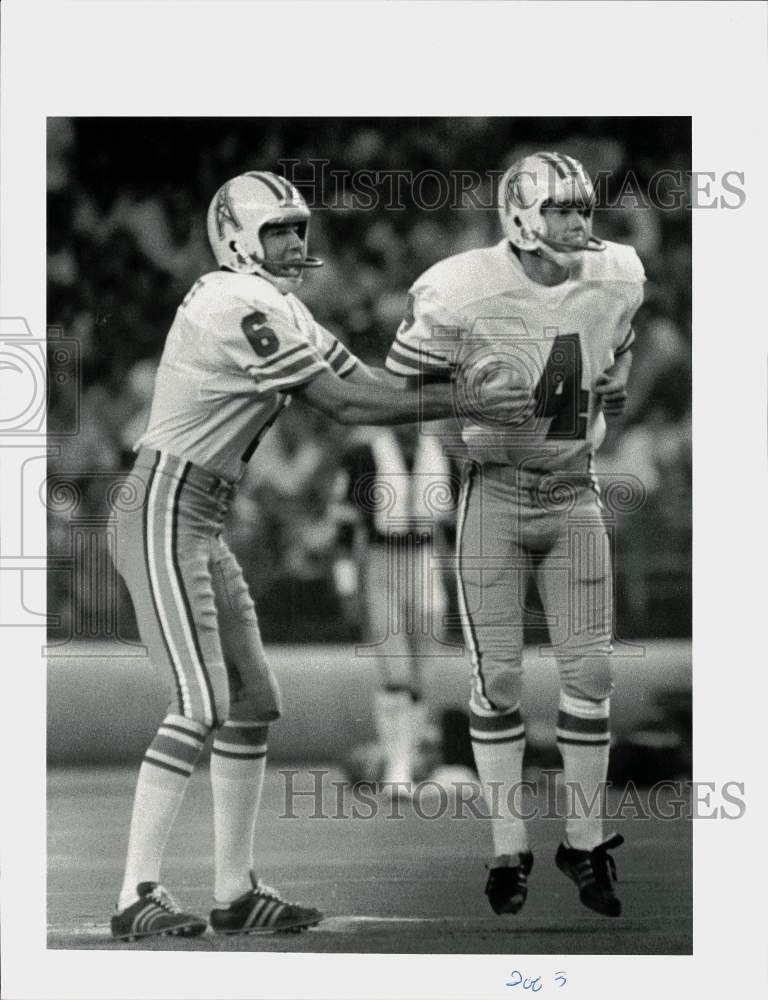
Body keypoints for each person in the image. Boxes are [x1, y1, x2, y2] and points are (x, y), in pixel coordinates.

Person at [107, 170, 522, 941]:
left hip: (199, 514)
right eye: (279, 231)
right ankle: (136, 893)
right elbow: (347, 406)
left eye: (300, 229)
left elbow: (367, 380)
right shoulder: (236, 302)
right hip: (163, 504)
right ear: (237, 238)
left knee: (254, 704)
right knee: (199, 705)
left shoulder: (278, 303)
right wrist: (468, 395)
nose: (297, 243)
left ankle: (235, 890)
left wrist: (464, 369)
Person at [383, 152, 645, 918]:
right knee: (497, 681)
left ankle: (585, 844)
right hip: (494, 496)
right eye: (561, 210)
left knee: (592, 674)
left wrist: (600, 394)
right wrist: (466, 390)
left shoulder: (618, 274)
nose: (578, 224)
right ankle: (508, 848)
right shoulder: (461, 285)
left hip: (573, 495)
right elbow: (401, 387)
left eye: (583, 209)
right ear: (521, 216)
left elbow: (616, 357)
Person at [338, 423, 458, 792]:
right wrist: (346, 584)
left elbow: (451, 528)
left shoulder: (443, 454)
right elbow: (345, 526)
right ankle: (398, 767)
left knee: (423, 672)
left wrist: (459, 578)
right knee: (396, 671)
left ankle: (409, 756)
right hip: (381, 560)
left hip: (424, 561)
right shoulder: (364, 454)